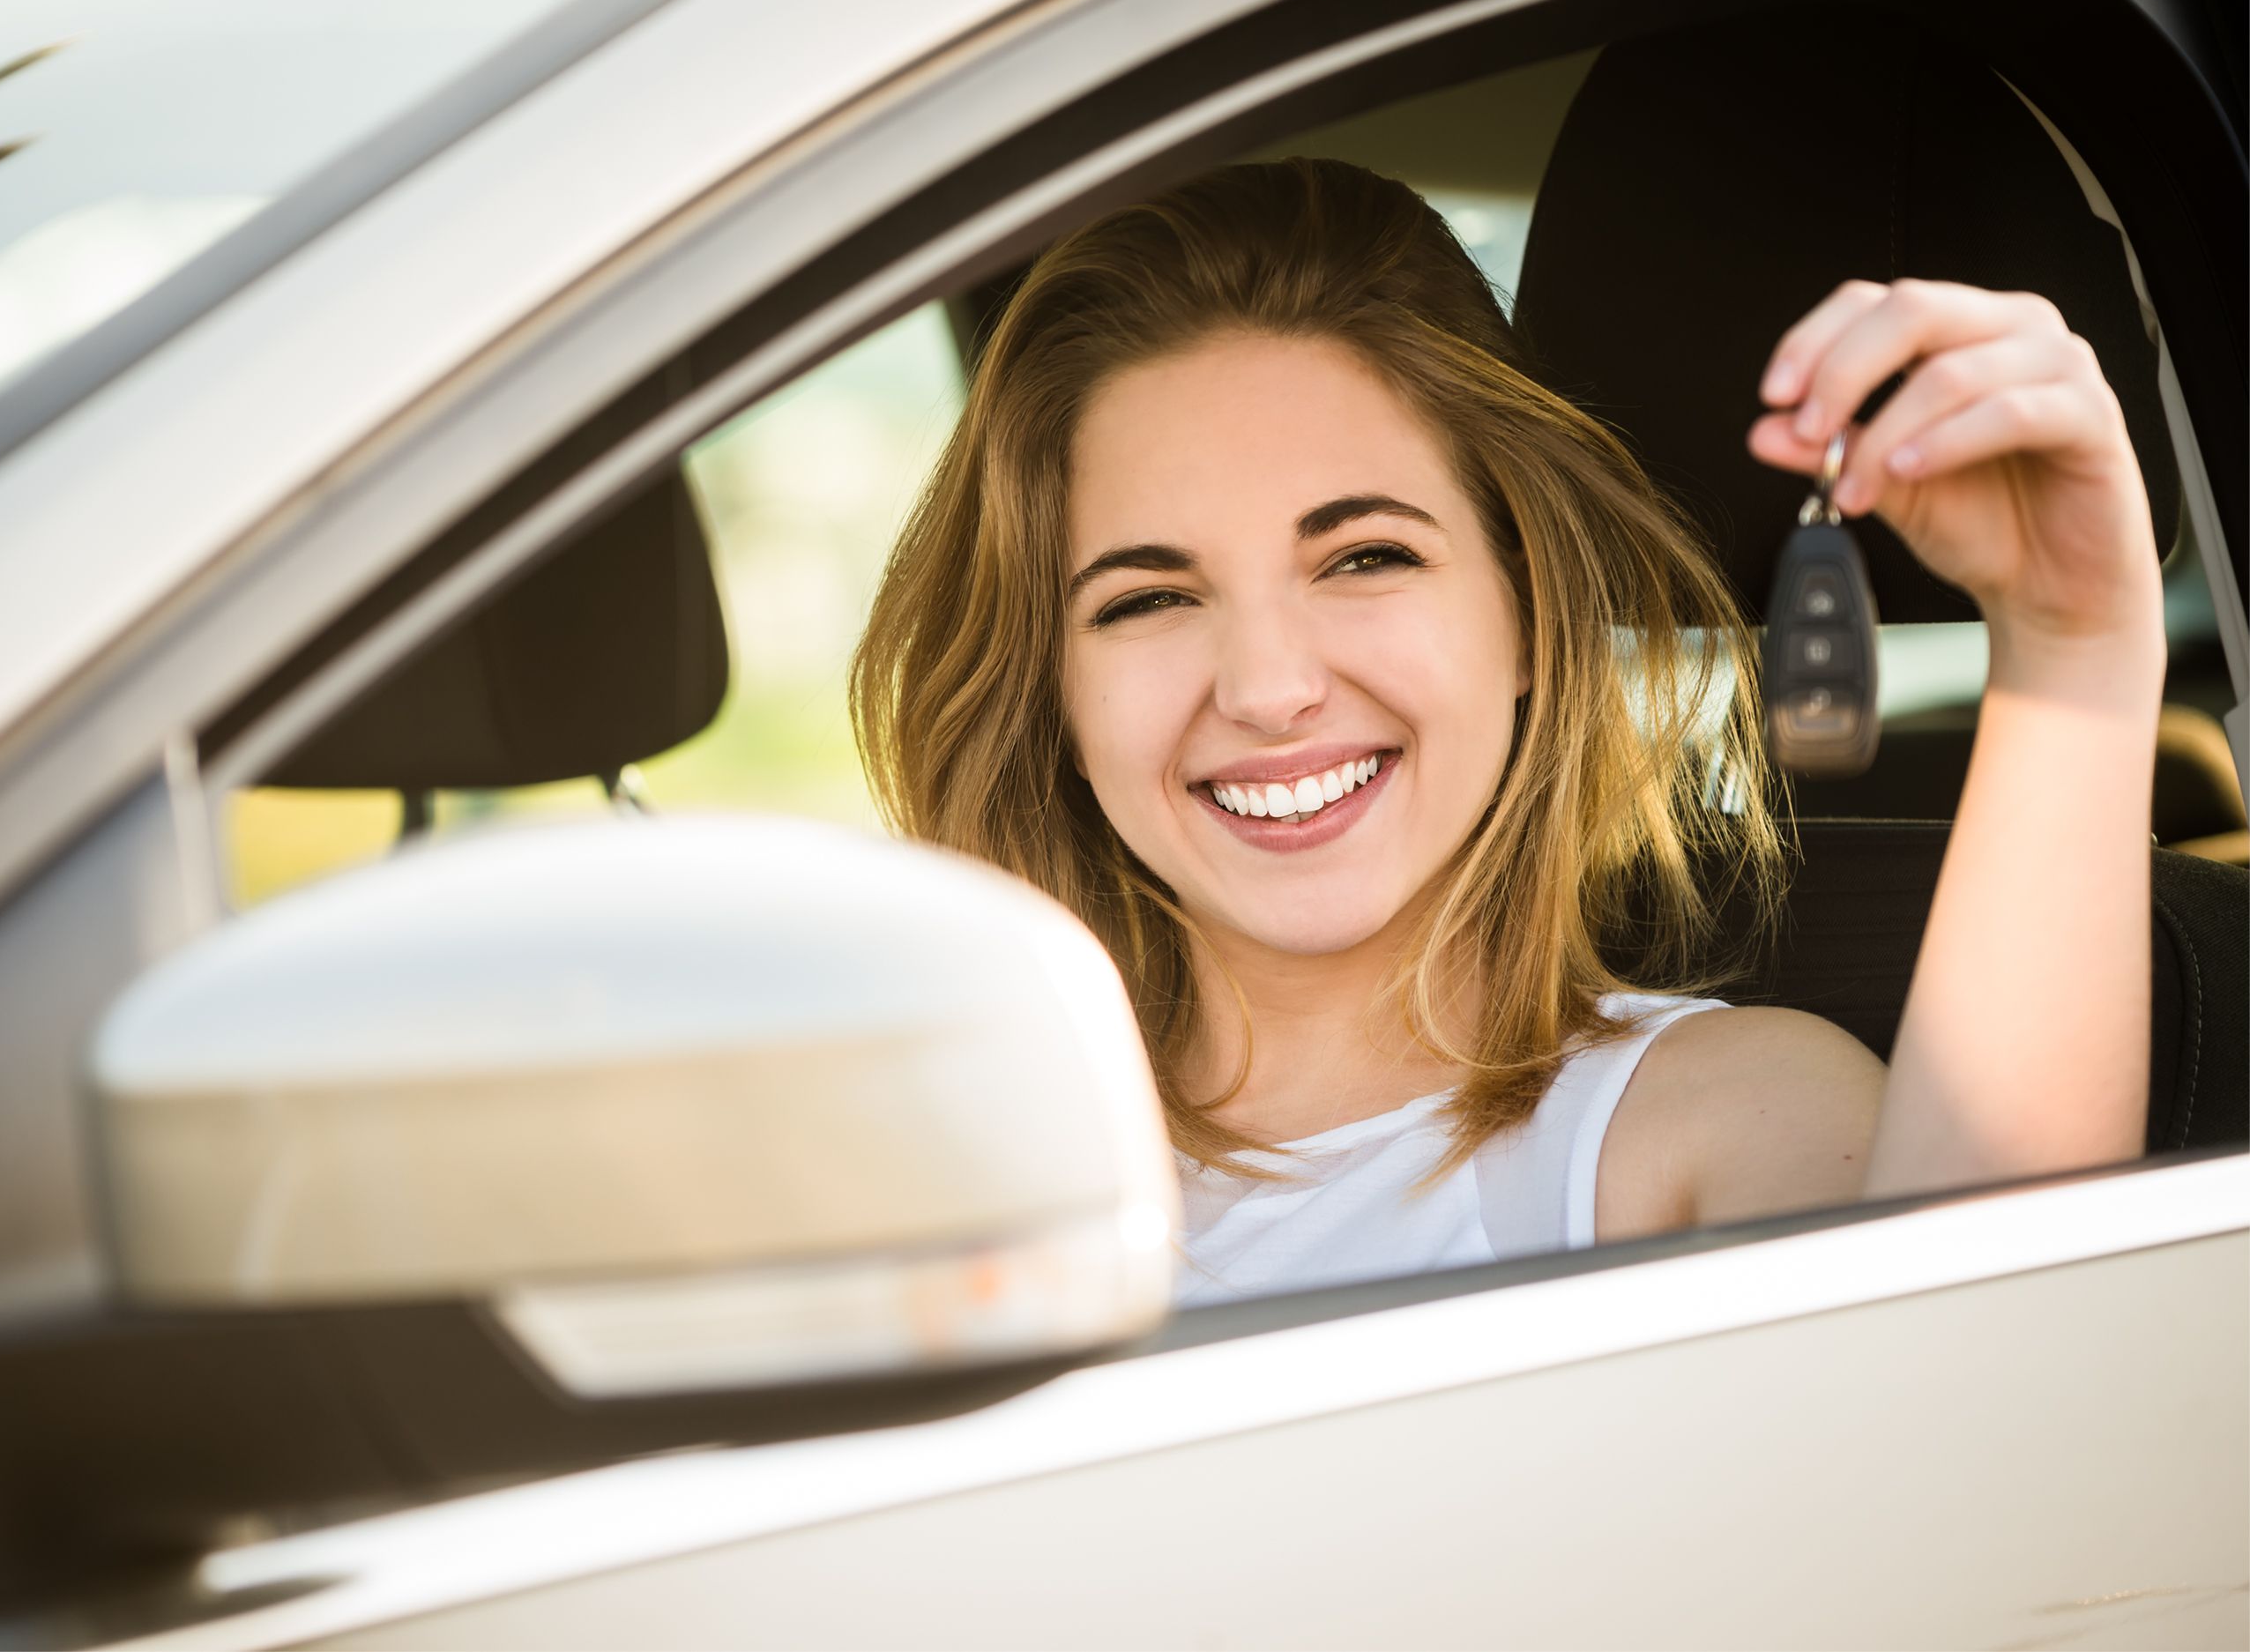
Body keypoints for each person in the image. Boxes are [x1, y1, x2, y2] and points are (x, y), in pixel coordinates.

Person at [850, 159, 2164, 1305]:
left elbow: (1986, 1397)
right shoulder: (903, 1165)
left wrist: (2077, 651)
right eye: (1148, 597)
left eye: (1365, 557)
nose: (1265, 686)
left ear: (1528, 611)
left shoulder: (1698, 1130)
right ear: (1053, 689)